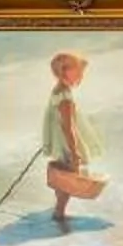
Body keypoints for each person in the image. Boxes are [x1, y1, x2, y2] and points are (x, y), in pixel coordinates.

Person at [42, 51, 102, 230]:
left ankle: (59, 210)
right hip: (66, 143)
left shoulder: (58, 90)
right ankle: (59, 212)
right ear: (64, 72)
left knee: (63, 176)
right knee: (69, 176)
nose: (80, 75)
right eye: (76, 71)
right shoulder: (65, 97)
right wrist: (75, 151)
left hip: (60, 142)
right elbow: (68, 128)